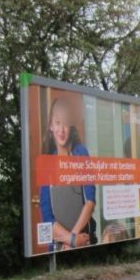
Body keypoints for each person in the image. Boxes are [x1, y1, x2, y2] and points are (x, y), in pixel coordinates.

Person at [39, 98, 96, 251]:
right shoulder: (46, 163)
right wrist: (71, 240)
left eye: (65, 123)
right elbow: (46, 216)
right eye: (57, 122)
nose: (61, 129)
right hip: (58, 246)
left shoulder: (81, 153)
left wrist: (73, 239)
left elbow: (90, 201)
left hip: (82, 239)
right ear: (50, 126)